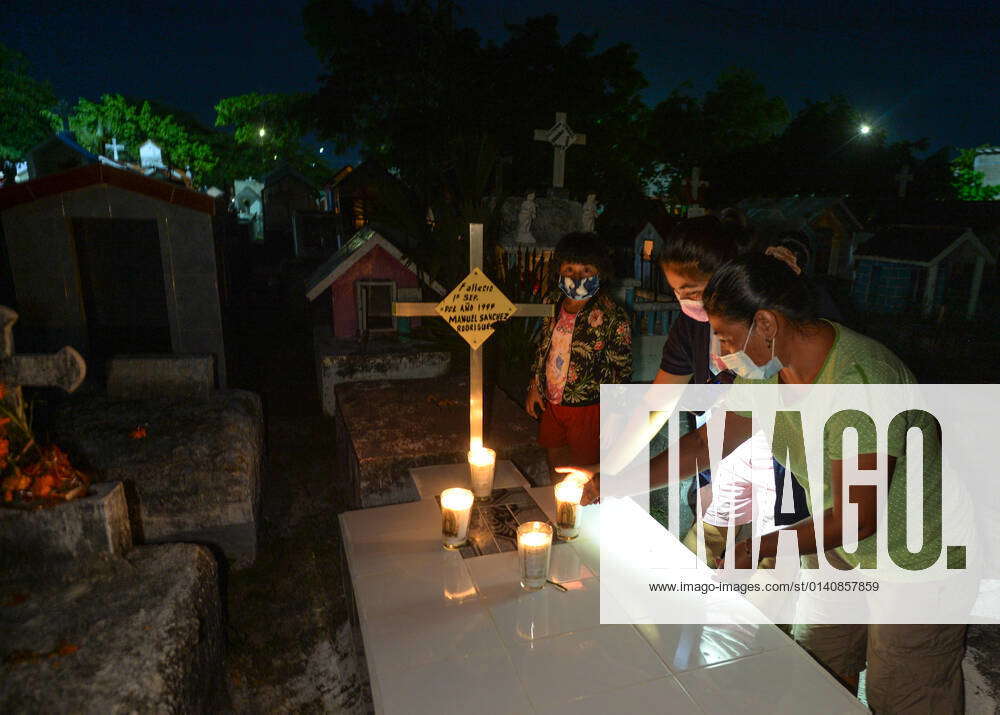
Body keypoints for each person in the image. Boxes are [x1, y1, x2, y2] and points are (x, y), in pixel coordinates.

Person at [646, 253, 966, 712]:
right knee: (817, 666)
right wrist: (616, 481)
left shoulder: (861, 381)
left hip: (914, 554)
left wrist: (759, 547)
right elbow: (703, 445)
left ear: (766, 324)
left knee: (904, 692)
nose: (721, 354)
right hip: (835, 539)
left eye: (727, 338)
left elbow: (859, 516)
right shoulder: (765, 372)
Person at [655, 216, 820, 563]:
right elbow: (659, 404)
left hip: (780, 467)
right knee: (699, 550)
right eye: (677, 293)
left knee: (771, 565)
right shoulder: (691, 330)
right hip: (723, 460)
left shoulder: (777, 334)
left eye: (693, 293)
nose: (725, 355)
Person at [525, 232, 632, 475]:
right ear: (559, 270)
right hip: (552, 401)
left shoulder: (613, 316)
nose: (577, 277)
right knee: (554, 456)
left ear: (601, 272)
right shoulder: (551, 302)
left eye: (586, 270)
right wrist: (534, 386)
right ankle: (558, 504)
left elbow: (621, 369)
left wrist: (616, 414)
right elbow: (543, 346)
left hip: (588, 407)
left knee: (582, 470)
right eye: (570, 269)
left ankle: (580, 510)